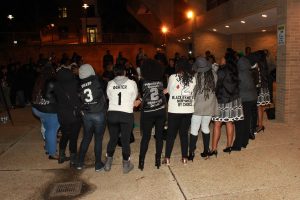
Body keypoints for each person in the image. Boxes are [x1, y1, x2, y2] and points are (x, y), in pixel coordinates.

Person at [104, 64, 138, 174]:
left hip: (112, 114)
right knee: (125, 140)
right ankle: (126, 165)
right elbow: (134, 97)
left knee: (113, 139)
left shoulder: (110, 83)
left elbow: (108, 97)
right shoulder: (131, 83)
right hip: (126, 114)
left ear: (114, 73)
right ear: (124, 72)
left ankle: (108, 164)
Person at [210, 51, 244, 157]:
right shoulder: (235, 70)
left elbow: (215, 85)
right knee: (230, 123)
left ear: (226, 59)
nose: (220, 59)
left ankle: (214, 149)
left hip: (222, 100)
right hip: (233, 100)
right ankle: (229, 146)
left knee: (217, 124)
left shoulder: (221, 71)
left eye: (222, 58)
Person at [134, 59, 166, 170]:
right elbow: (162, 93)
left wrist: (140, 100)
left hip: (148, 112)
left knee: (146, 137)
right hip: (160, 110)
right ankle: (157, 160)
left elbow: (144, 95)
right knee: (159, 136)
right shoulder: (161, 81)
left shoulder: (143, 82)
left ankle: (141, 162)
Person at [163, 58, 196, 165]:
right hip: (188, 110)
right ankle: (184, 158)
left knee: (171, 135)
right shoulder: (192, 78)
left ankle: (167, 158)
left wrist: (167, 91)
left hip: (175, 110)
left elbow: (169, 91)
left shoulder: (173, 77)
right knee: (184, 134)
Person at [76, 64, 107, 171]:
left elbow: (78, 100)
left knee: (86, 138)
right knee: (98, 139)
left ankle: (79, 163)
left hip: (87, 115)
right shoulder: (98, 80)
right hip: (99, 114)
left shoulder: (79, 85)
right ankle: (98, 165)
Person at [188, 57, 218, 161]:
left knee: (194, 129)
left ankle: (191, 153)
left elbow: (192, 91)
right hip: (209, 105)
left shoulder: (196, 76)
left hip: (197, 106)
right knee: (205, 127)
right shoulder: (214, 75)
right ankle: (206, 151)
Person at [54, 66, 82, 167]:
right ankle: (73, 158)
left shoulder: (56, 85)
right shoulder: (74, 84)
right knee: (73, 137)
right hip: (74, 114)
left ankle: (61, 156)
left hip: (62, 114)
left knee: (65, 134)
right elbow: (77, 100)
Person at [31, 64, 60, 159]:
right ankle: (52, 153)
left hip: (36, 109)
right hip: (47, 110)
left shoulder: (39, 80)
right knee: (52, 130)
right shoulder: (52, 81)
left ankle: (48, 148)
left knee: (48, 129)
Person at [232, 56, 257, 151]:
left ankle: (238, 144)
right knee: (246, 121)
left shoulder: (238, 74)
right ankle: (244, 142)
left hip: (242, 100)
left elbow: (235, 88)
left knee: (239, 123)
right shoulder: (251, 72)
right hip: (252, 99)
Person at [247, 50, 270, 133]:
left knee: (257, 107)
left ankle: (258, 125)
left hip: (258, 88)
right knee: (259, 107)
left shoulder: (255, 64)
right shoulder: (264, 64)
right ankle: (259, 124)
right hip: (264, 87)